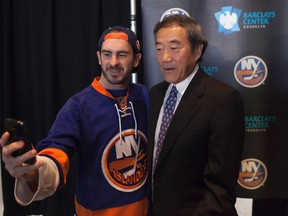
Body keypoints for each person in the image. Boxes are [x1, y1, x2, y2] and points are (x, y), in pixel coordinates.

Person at [1, 26, 149, 216]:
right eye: (107, 54)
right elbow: (57, 149)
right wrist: (33, 172)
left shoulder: (145, 97)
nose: (113, 62)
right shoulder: (79, 106)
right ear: (98, 57)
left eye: (122, 54)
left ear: (136, 59)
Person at [147, 14, 245, 215]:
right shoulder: (155, 94)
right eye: (159, 48)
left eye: (174, 48)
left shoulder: (222, 99)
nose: (165, 57)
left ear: (197, 50)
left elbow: (219, 189)